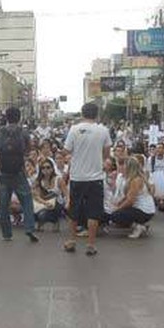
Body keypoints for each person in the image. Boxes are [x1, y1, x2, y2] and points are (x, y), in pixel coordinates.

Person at [62, 103, 112, 256]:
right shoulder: (103, 130)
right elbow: (107, 153)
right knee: (94, 212)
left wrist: (75, 156)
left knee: (74, 210)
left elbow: (66, 150)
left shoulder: (74, 129)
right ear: (97, 114)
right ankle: (90, 244)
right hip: (96, 177)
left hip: (77, 177)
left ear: (82, 114)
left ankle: (71, 241)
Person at [0, 107, 39, 243]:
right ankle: (29, 228)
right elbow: (29, 149)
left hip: (3, 174)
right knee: (27, 201)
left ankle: (7, 234)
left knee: (3, 204)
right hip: (19, 172)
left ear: (6, 118)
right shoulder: (23, 132)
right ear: (19, 118)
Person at [111, 157, 155, 239]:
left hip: (144, 211)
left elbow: (130, 201)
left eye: (124, 165)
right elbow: (128, 196)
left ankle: (138, 226)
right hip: (146, 209)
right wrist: (118, 203)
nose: (122, 167)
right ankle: (140, 225)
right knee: (116, 211)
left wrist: (117, 208)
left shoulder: (135, 180)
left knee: (115, 216)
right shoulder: (136, 178)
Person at [33, 159, 68, 232]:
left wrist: (67, 203)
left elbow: (66, 194)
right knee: (38, 214)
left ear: (52, 168)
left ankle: (55, 220)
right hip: (43, 203)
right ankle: (40, 222)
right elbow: (36, 196)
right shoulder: (38, 181)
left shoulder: (58, 179)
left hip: (57, 204)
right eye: (43, 168)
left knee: (43, 214)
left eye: (48, 167)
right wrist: (45, 203)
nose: (46, 169)